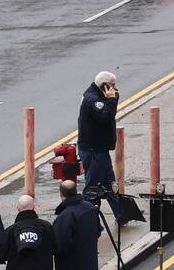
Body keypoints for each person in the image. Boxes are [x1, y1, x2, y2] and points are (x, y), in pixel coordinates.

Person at [78, 71, 121, 219]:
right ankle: (84, 218)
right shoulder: (93, 100)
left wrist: (112, 98)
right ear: (103, 85)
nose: (114, 89)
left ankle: (121, 214)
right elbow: (106, 117)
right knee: (92, 188)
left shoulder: (99, 96)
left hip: (99, 149)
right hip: (93, 151)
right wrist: (112, 100)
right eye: (111, 86)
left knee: (110, 184)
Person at [0, 194, 55, 270]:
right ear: (33, 206)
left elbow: (1, 255)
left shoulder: (10, 231)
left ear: (17, 207)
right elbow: (55, 249)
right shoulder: (47, 226)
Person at [52, 181, 99, 270]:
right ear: (76, 190)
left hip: (72, 264)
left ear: (61, 193)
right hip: (90, 262)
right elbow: (98, 231)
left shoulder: (64, 217)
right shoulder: (91, 208)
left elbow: (60, 245)